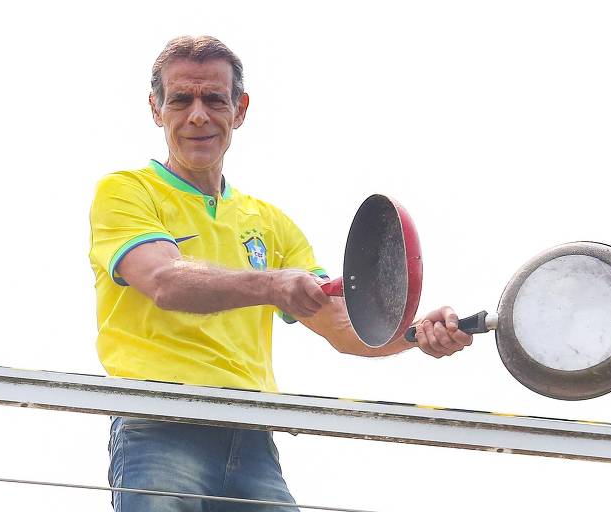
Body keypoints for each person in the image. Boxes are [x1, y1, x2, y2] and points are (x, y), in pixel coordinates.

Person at [89, 35, 473, 512]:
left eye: (214, 99)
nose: (197, 116)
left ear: (240, 109)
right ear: (155, 108)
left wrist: (416, 334)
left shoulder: (271, 224)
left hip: (254, 437)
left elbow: (345, 329)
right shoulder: (126, 191)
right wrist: (272, 284)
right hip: (160, 424)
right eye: (181, 99)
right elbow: (165, 282)